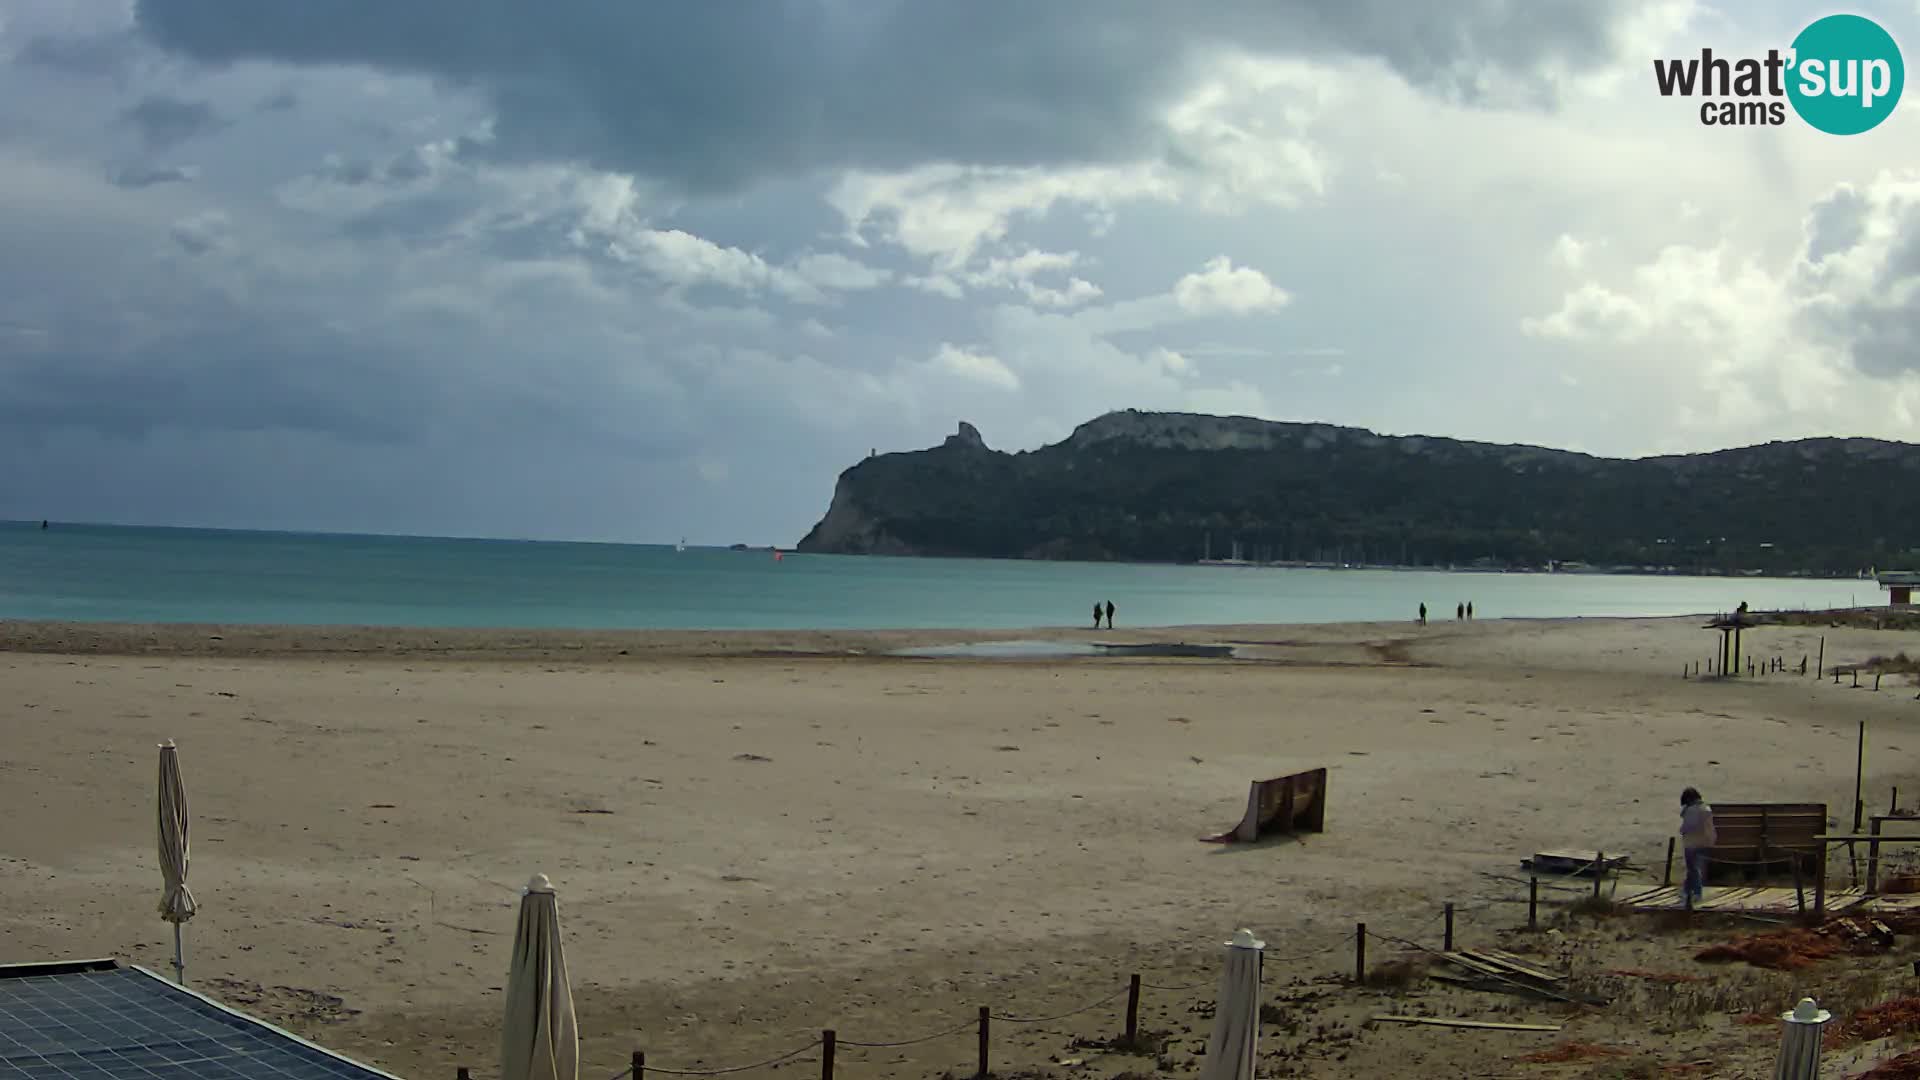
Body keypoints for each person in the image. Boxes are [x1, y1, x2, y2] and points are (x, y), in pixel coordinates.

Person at [1680, 787, 1716, 906]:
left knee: (1693, 868)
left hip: (1693, 843)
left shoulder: (1692, 810)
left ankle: (1696, 893)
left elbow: (1689, 826)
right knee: (1696, 867)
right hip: (1707, 842)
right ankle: (1686, 890)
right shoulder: (1706, 808)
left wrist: (1682, 830)